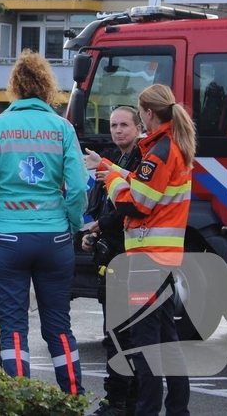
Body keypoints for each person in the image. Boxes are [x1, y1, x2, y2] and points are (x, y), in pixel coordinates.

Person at [0, 50, 87, 395]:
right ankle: (73, 397)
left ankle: (20, 400)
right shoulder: (62, 128)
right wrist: (72, 223)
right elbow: (78, 187)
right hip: (54, 239)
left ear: (15, 88)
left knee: (14, 328)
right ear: (47, 87)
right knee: (59, 326)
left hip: (6, 237)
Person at [84, 83, 194, 416]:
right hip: (161, 259)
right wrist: (107, 166)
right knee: (166, 340)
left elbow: (138, 202)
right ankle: (178, 410)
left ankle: (149, 410)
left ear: (146, 113)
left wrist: (111, 181)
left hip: (147, 260)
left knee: (146, 344)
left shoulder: (160, 150)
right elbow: (142, 183)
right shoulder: (169, 146)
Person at [83, 106, 144, 416]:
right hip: (112, 255)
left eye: (124, 125)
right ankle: (125, 402)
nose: (118, 130)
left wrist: (100, 226)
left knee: (121, 335)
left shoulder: (140, 159)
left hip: (130, 260)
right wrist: (95, 234)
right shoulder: (119, 159)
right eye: (114, 125)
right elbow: (108, 207)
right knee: (117, 334)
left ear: (138, 127)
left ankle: (119, 403)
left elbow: (131, 205)